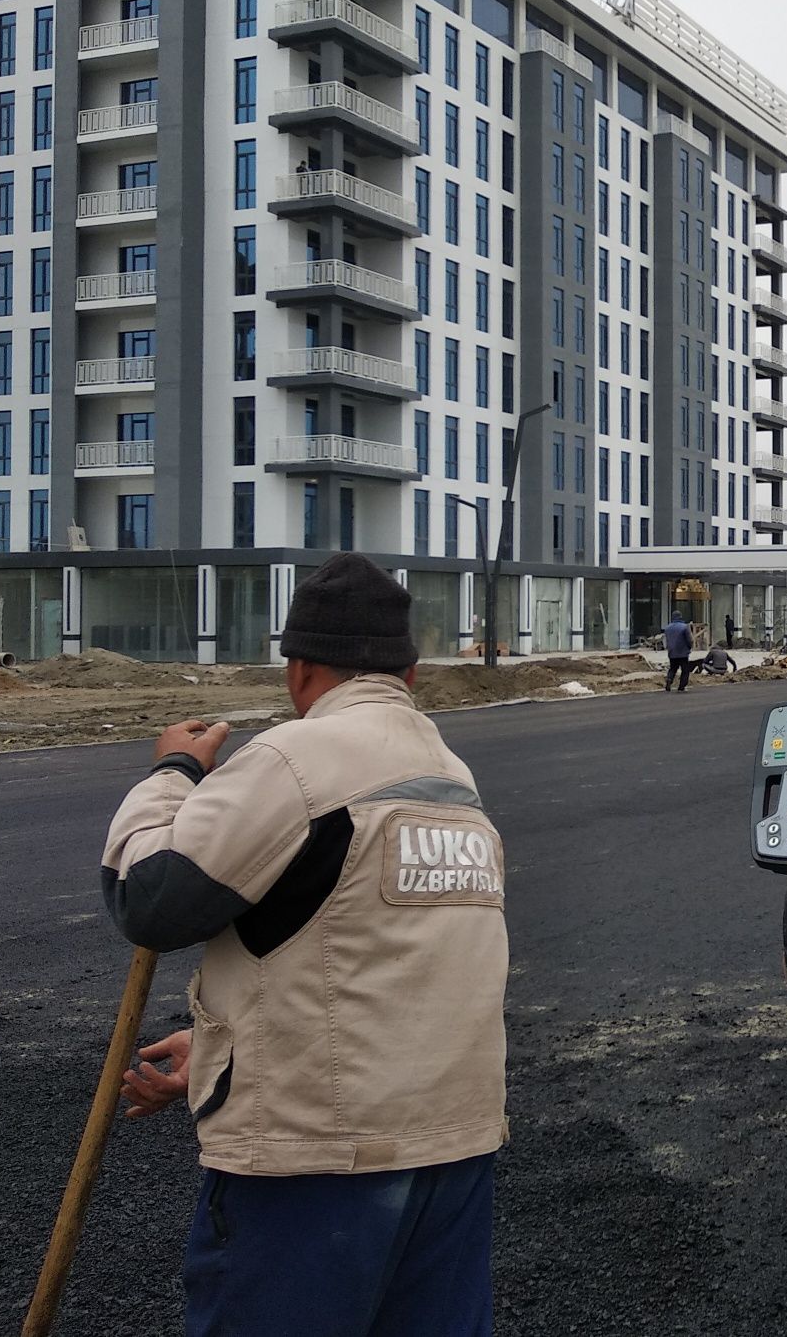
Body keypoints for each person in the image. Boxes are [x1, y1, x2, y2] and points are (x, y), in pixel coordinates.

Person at [101, 552, 508, 1336]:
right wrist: (224, 1043)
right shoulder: (453, 781)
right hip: (453, 1158)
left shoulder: (296, 761)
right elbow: (387, 960)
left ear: (299, 669)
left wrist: (172, 774)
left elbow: (149, 899)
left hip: (315, 1170)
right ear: (409, 674)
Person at [663, 611, 695, 691]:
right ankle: (682, 686)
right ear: (680, 617)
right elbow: (690, 639)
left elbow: (666, 640)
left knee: (673, 668)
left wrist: (668, 648)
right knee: (685, 669)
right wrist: (689, 647)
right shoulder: (684, 627)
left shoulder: (667, 628)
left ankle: (669, 679)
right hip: (683, 652)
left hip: (672, 652)